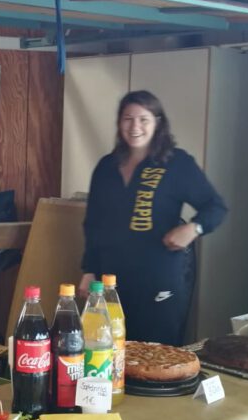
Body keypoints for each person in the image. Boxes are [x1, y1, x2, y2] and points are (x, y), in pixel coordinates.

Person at [78, 90, 227, 346]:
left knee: (156, 355)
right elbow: (93, 224)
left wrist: (194, 228)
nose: (135, 126)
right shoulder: (106, 167)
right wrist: (89, 270)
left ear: (158, 122)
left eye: (143, 119)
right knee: (107, 351)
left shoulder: (175, 163)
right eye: (127, 118)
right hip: (111, 282)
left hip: (159, 279)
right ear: (119, 123)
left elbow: (215, 207)